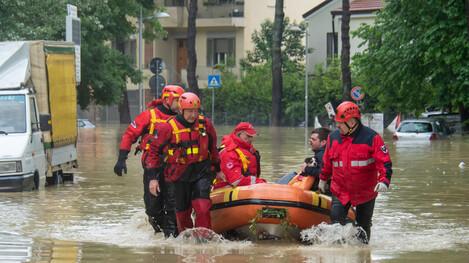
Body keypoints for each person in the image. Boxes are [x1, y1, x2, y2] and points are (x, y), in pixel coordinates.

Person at [145, 92, 220, 234]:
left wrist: (218, 168)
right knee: (182, 213)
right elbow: (153, 152)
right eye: (190, 111)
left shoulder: (205, 125)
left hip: (201, 171)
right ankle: (186, 239)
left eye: (195, 111)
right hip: (179, 174)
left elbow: (213, 148)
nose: (193, 115)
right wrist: (153, 179)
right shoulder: (167, 128)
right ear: (181, 110)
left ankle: (204, 240)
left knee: (202, 206)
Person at [318, 101, 392, 244]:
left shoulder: (372, 138)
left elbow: (385, 162)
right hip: (340, 190)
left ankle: (362, 255)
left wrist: (384, 181)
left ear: (351, 122)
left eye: (340, 123)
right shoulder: (333, 138)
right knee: (335, 223)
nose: (337, 126)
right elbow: (327, 162)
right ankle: (336, 254)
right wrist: (322, 179)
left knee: (363, 226)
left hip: (365, 191)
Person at [113, 85, 184, 234]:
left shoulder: (184, 118)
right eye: (178, 100)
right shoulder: (149, 116)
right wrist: (122, 158)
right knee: (153, 208)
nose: (181, 104)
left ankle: (172, 236)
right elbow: (129, 135)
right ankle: (160, 230)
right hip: (153, 167)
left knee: (173, 204)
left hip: (175, 167)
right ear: (167, 99)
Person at [212, 122, 266, 190]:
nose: (250, 139)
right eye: (248, 136)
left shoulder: (249, 150)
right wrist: (259, 182)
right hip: (224, 189)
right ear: (239, 134)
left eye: (251, 137)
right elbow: (236, 180)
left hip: (246, 188)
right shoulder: (229, 152)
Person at [277, 127, 330, 193]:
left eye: (313, 139)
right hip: (315, 187)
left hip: (316, 189)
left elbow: (324, 172)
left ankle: (275, 189)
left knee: (291, 175)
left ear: (323, 142)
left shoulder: (321, 154)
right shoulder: (323, 153)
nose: (310, 141)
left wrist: (306, 169)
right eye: (310, 139)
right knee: (292, 174)